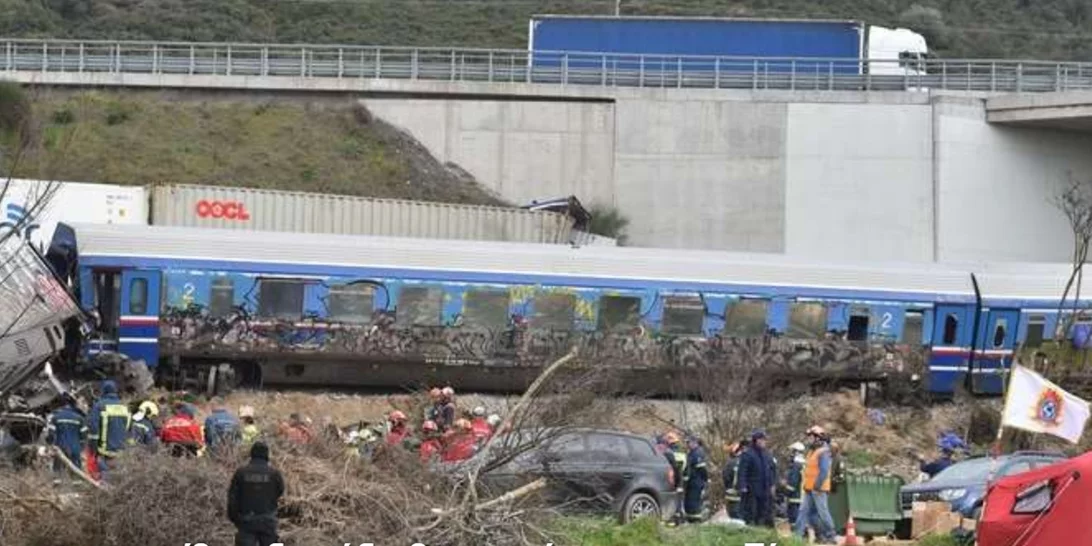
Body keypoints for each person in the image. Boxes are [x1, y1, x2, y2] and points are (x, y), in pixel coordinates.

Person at [227, 442, 285, 546]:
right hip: (268, 519)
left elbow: (232, 499)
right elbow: (280, 491)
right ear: (267, 455)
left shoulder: (241, 472)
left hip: (246, 519)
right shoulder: (274, 473)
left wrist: (234, 518)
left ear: (251, 454)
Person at [795, 426, 837, 545]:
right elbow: (809, 470)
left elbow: (823, 471)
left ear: (818, 438)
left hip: (819, 489)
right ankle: (799, 535)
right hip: (810, 488)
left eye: (811, 437)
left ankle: (830, 536)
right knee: (806, 512)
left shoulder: (823, 452)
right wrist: (807, 485)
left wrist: (817, 486)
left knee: (822, 512)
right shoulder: (812, 451)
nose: (808, 439)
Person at [86, 380, 131, 476]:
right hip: (121, 452)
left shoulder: (99, 406)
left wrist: (92, 451)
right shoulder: (124, 407)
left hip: (104, 452)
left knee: (105, 479)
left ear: (104, 391)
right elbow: (129, 430)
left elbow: (93, 431)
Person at [737, 429, 776, 527]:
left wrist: (772, 484)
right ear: (756, 440)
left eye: (764, 440)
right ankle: (750, 528)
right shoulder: (748, 454)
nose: (764, 442)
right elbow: (742, 471)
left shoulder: (767, 454)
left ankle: (760, 527)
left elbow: (771, 470)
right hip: (752, 489)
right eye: (761, 440)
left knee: (763, 512)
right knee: (751, 512)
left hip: (765, 489)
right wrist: (743, 486)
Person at [47, 396, 85, 472]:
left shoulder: (55, 418)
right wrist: (81, 446)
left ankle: (57, 481)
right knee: (76, 471)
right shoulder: (79, 418)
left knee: (58, 470)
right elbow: (83, 435)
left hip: (60, 447)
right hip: (75, 448)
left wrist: (50, 444)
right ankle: (77, 482)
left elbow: (51, 434)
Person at [663, 432, 688, 524]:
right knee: (679, 500)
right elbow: (686, 466)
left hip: (672, 478)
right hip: (681, 478)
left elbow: (671, 467)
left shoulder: (669, 452)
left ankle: (674, 519)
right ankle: (680, 520)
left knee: (672, 499)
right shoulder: (682, 451)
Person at [684, 436, 708, 522]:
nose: (687, 445)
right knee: (690, 502)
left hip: (696, 482)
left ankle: (695, 521)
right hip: (692, 482)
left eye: (688, 442)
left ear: (695, 443)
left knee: (694, 502)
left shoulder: (698, 453)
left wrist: (705, 480)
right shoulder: (692, 453)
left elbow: (702, 469)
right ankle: (691, 520)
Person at [782, 442, 806, 524]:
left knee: (794, 519)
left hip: (795, 497)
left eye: (792, 452)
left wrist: (786, 492)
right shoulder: (804, 464)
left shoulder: (796, 466)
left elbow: (793, 482)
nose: (790, 454)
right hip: (802, 496)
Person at [722, 440, 745, 519]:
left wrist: (727, 487)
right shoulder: (746, 462)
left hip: (731, 494)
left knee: (733, 515)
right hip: (743, 495)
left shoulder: (731, 463)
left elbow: (725, 476)